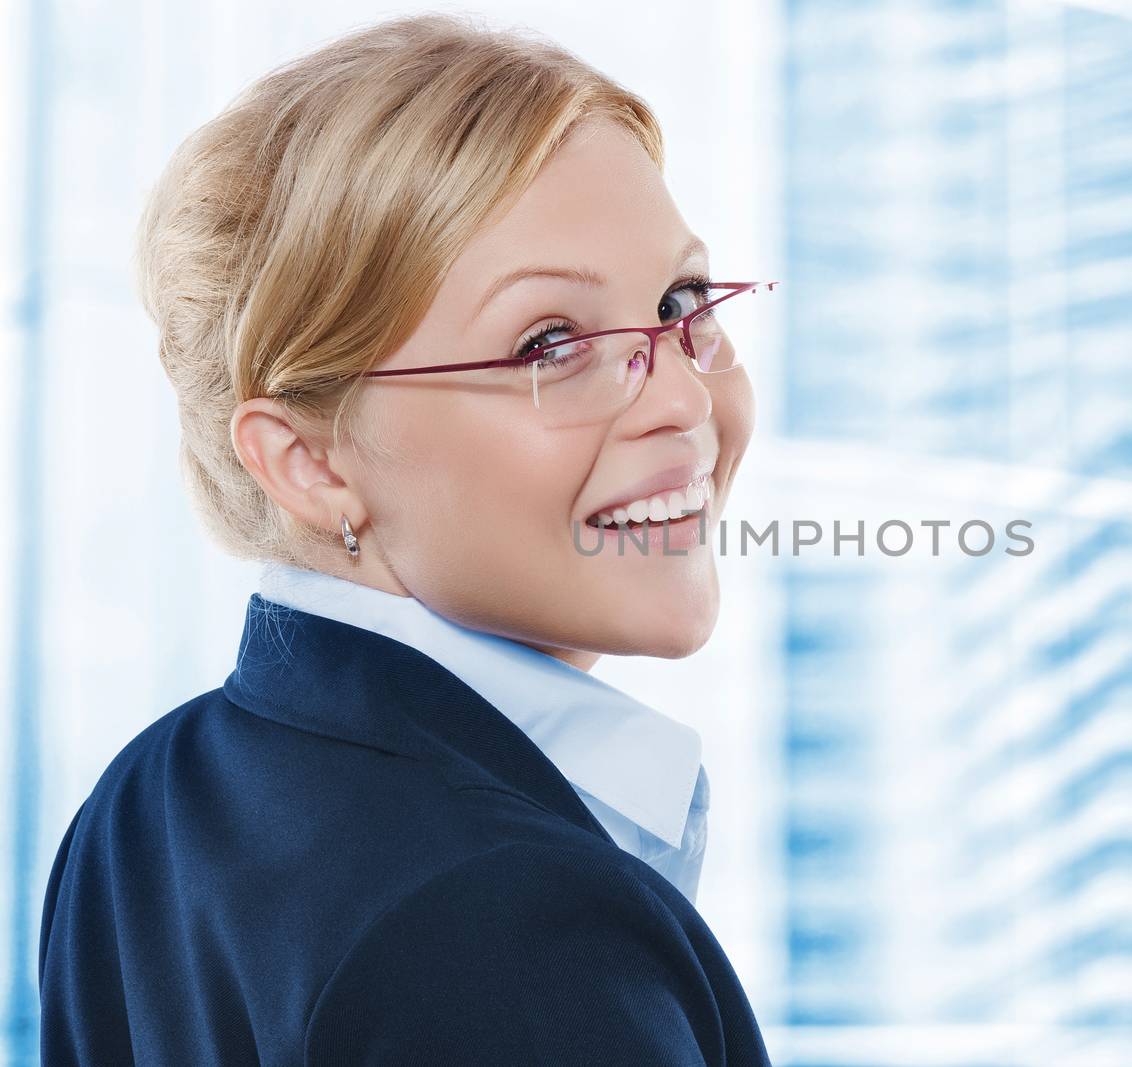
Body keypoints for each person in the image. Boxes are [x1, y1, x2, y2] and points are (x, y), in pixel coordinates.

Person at [36, 12, 774, 1064]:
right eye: (549, 341)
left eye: (677, 301)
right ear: (310, 460)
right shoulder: (513, 921)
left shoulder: (146, 802)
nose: (684, 398)